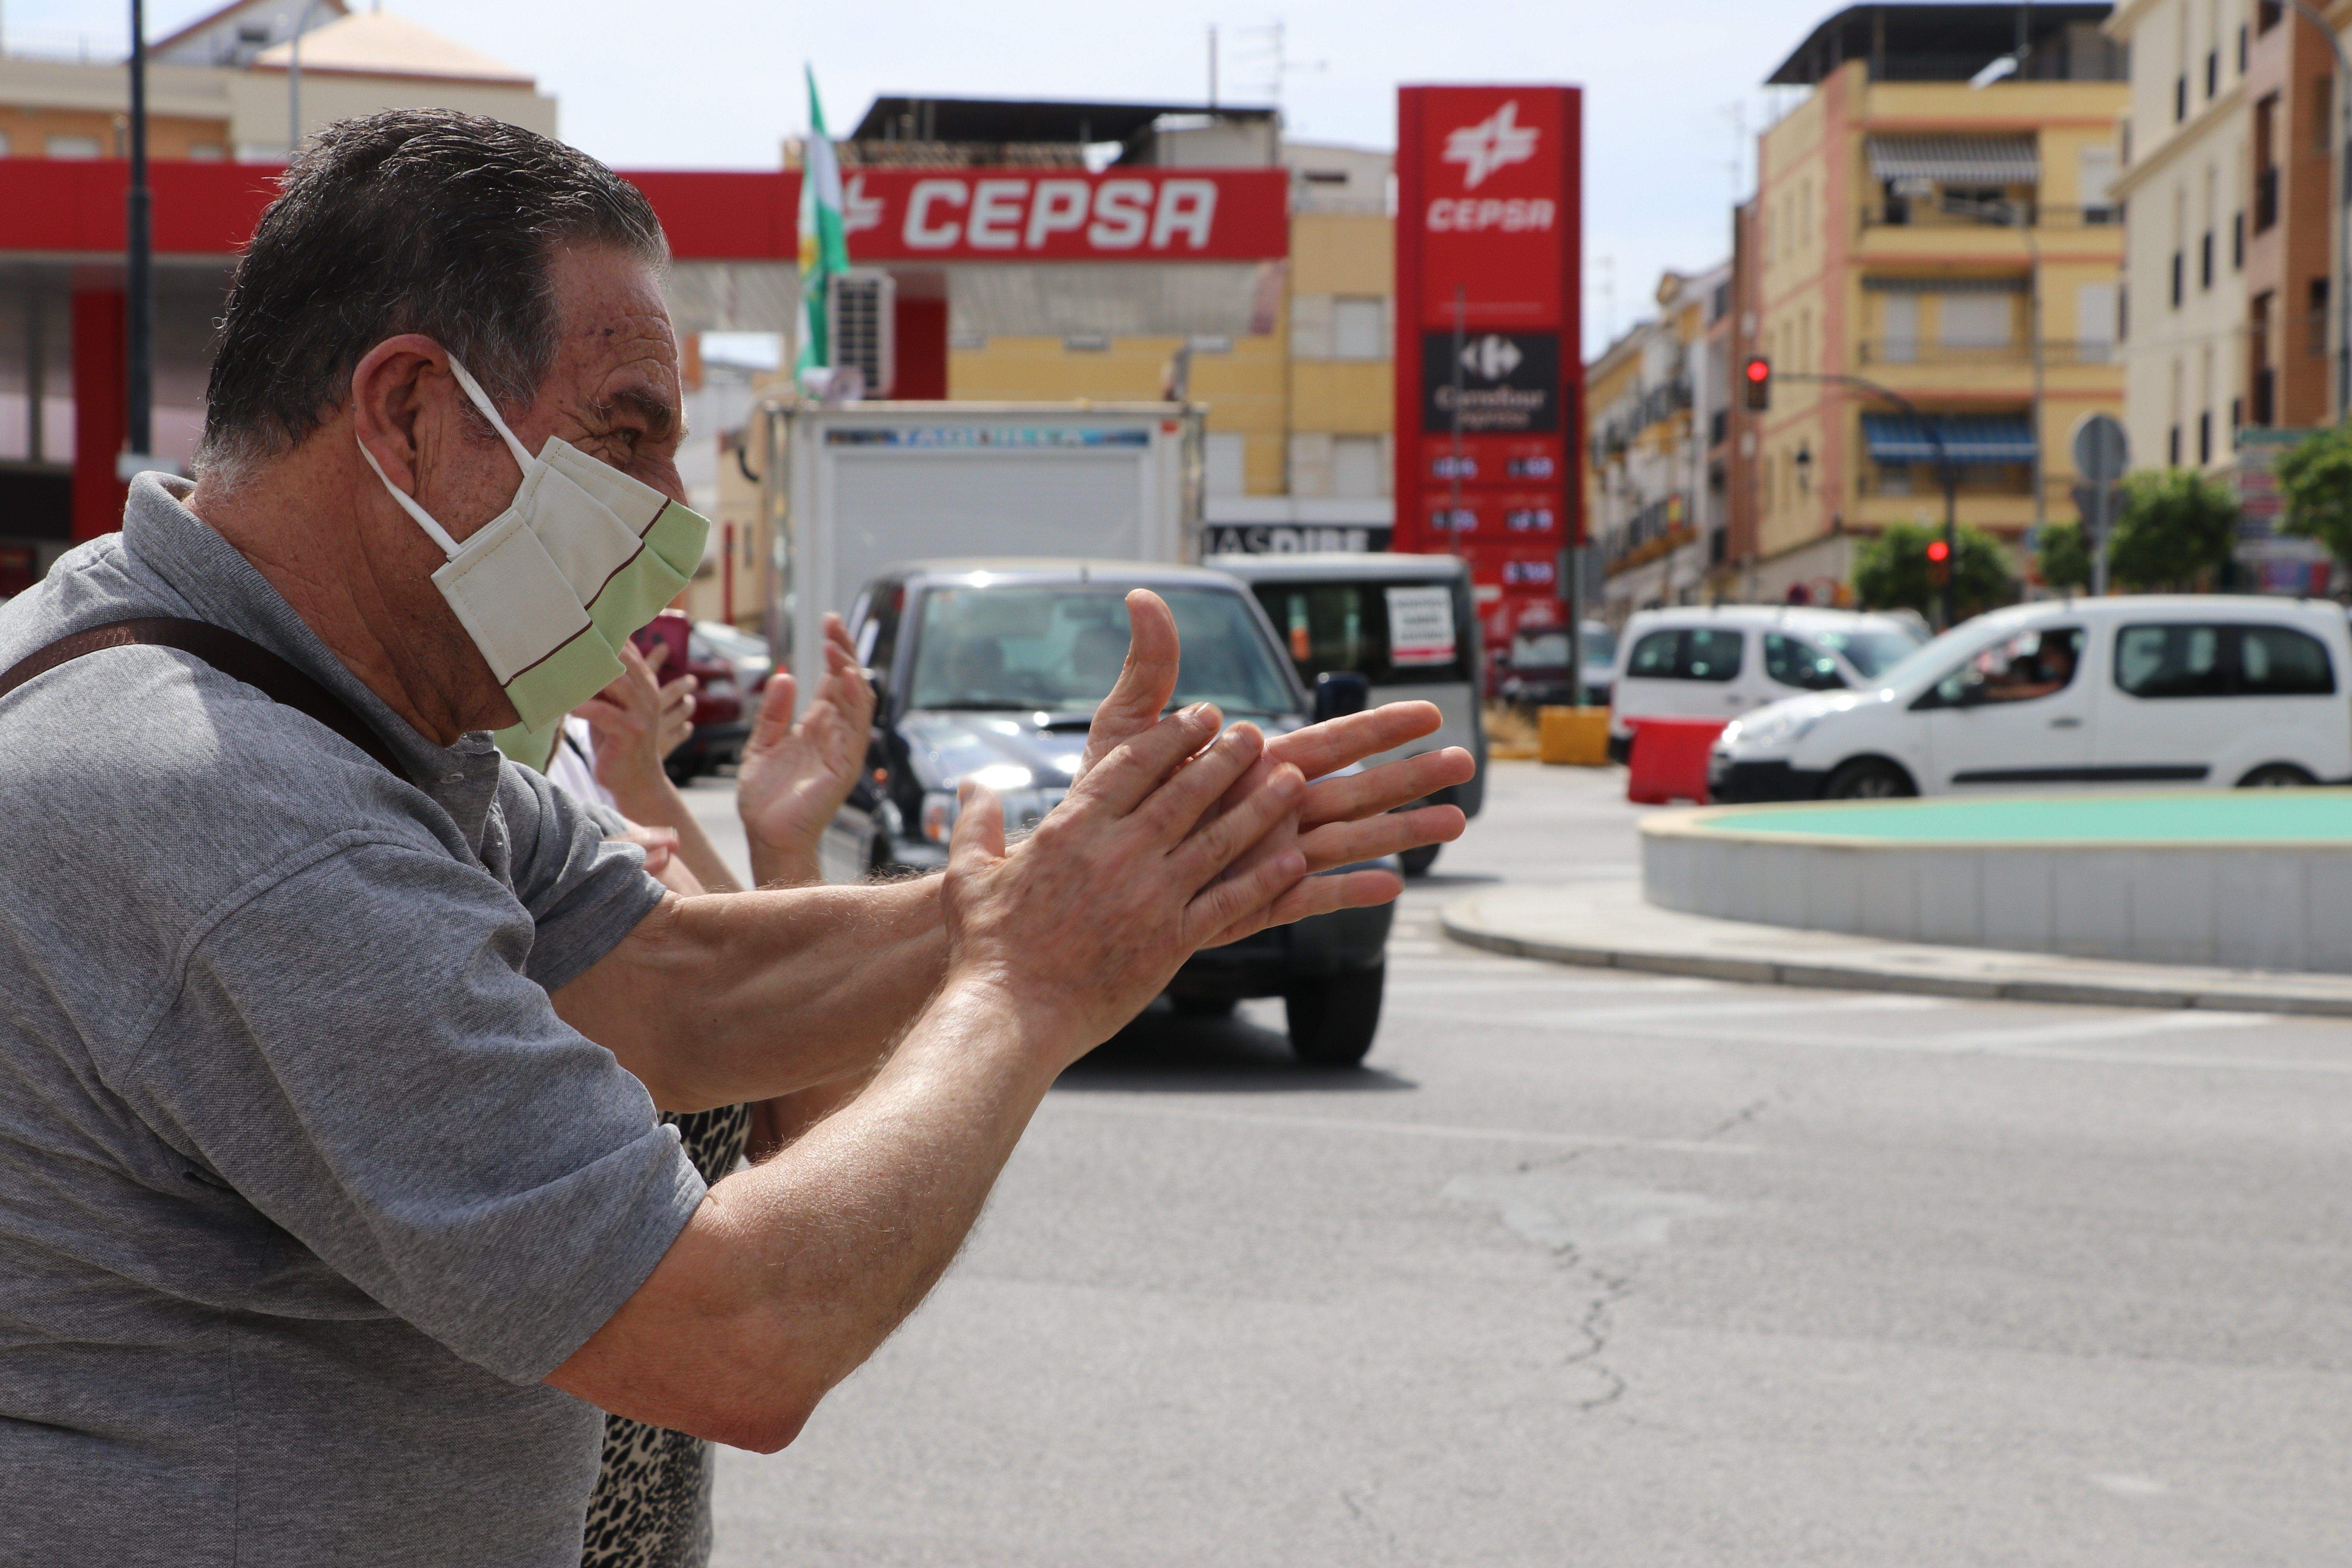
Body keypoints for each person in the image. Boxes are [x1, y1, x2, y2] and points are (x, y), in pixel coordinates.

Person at [0, 109, 1472, 1568]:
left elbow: (660, 980)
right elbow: (731, 1334)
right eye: (624, 435)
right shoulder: (240, 815)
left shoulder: (286, 688)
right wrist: (1027, 988)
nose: (673, 516)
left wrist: (1083, 884)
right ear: (407, 415)